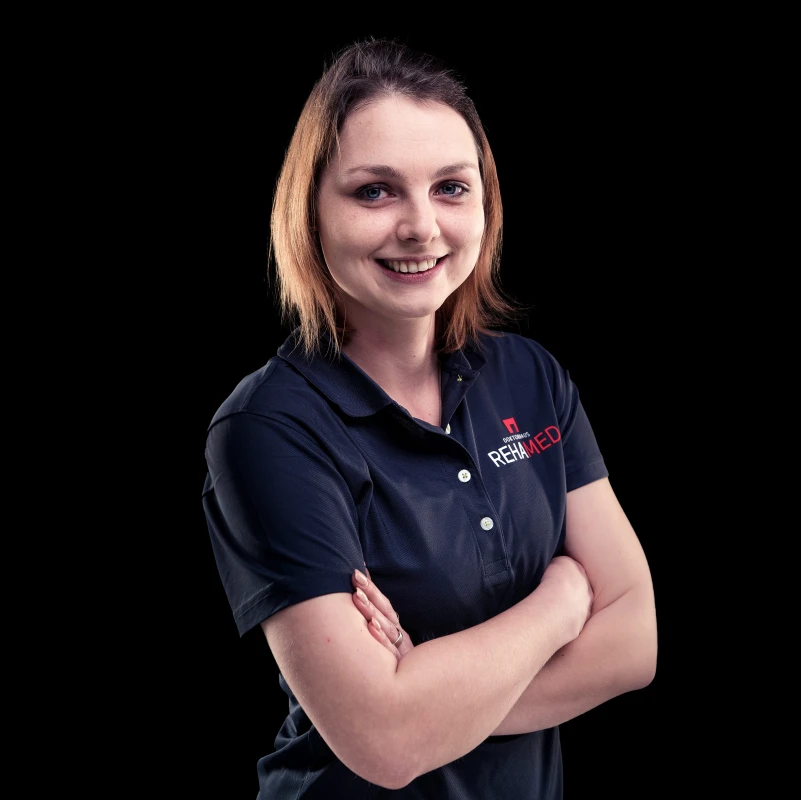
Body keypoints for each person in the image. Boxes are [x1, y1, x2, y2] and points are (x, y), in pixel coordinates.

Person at [201, 37, 657, 798]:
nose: (420, 226)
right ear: (310, 210)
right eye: (375, 192)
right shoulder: (268, 430)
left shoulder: (531, 378)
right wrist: (564, 599)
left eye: (450, 187)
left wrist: (423, 702)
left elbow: (636, 643)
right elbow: (381, 743)